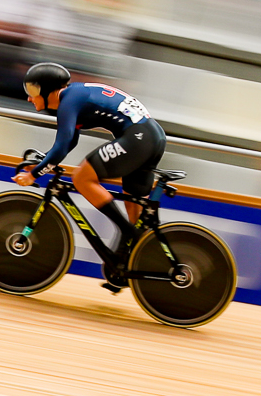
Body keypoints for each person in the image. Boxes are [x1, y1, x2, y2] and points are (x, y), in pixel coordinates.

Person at [13, 61, 164, 284]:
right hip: (152, 136)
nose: (29, 97)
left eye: (33, 91)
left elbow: (62, 146)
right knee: (134, 206)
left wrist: (34, 175)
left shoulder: (68, 101)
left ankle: (129, 234)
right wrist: (43, 162)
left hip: (139, 137)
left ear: (48, 90)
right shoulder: (74, 96)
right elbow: (69, 142)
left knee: (82, 177)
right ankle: (131, 261)